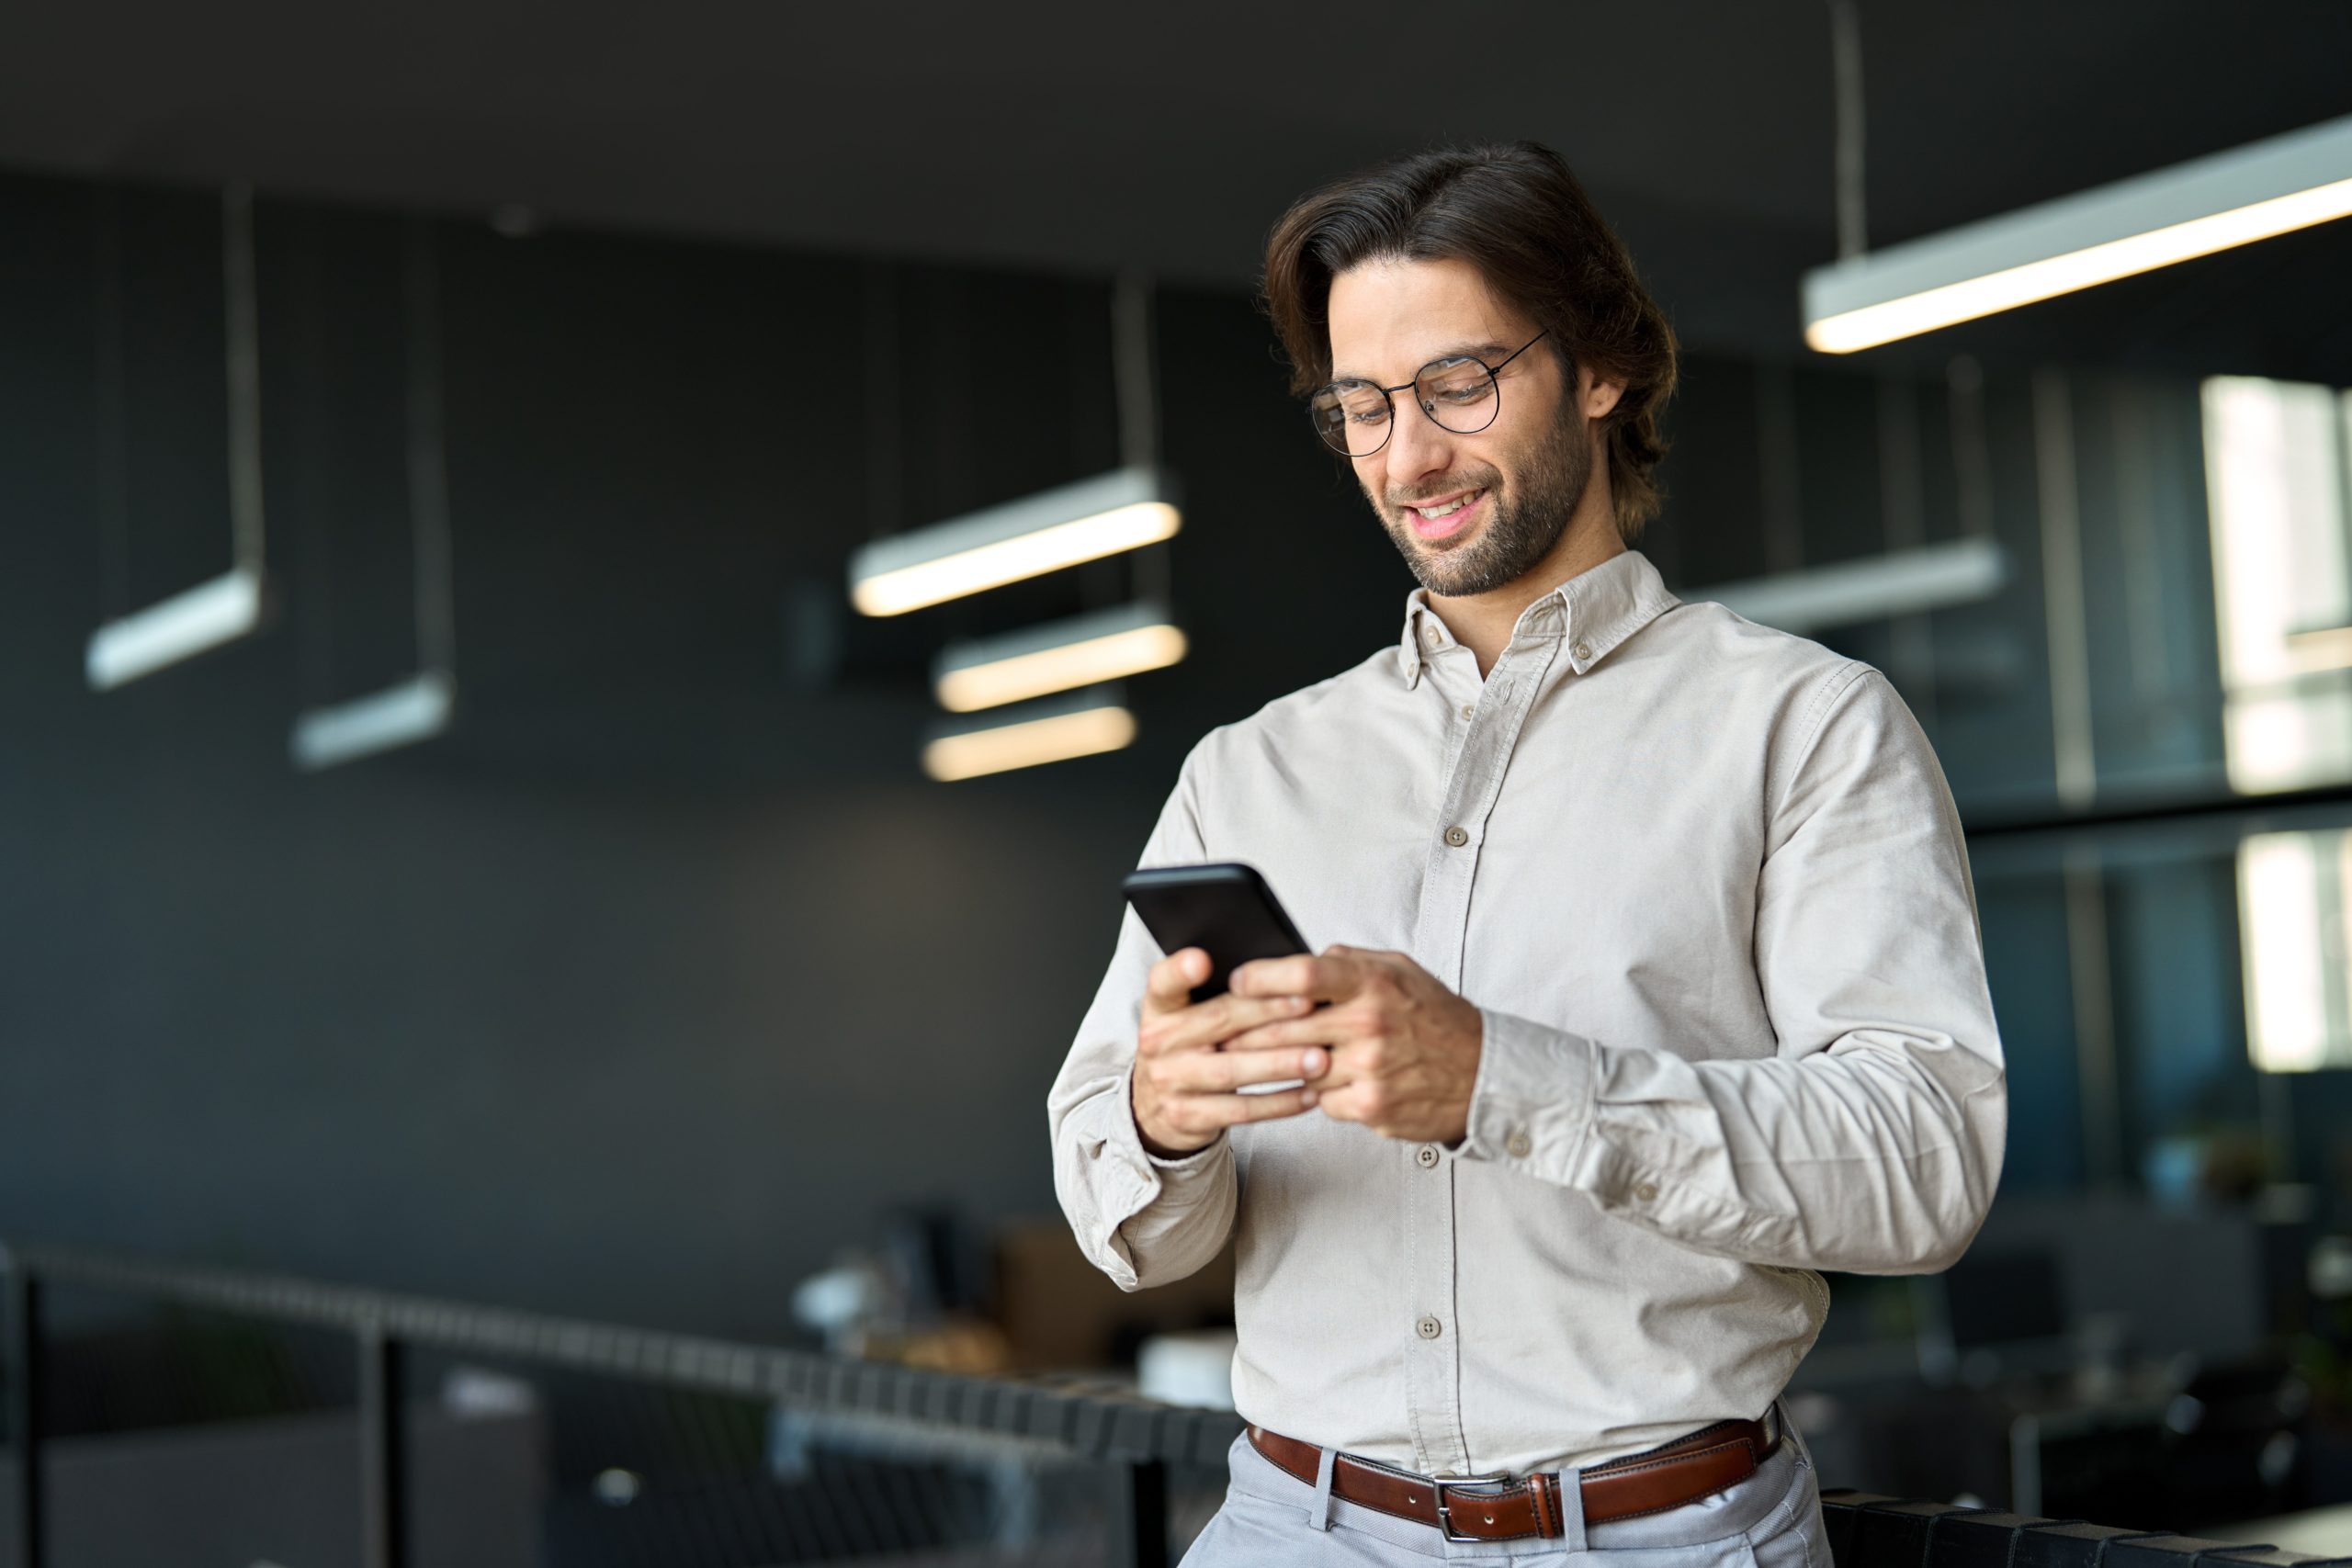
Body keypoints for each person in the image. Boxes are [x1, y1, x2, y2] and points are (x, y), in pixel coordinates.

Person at [1046, 141, 2006, 1565]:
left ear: (1603, 366)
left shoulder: (1803, 727)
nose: (1406, 457)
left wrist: (1507, 1080)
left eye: (1457, 387)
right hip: (1294, 1529)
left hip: (1659, 1538)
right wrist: (1161, 1123)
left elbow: (1926, 1161)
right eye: (1362, 406)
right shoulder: (1249, 772)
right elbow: (1118, 1204)